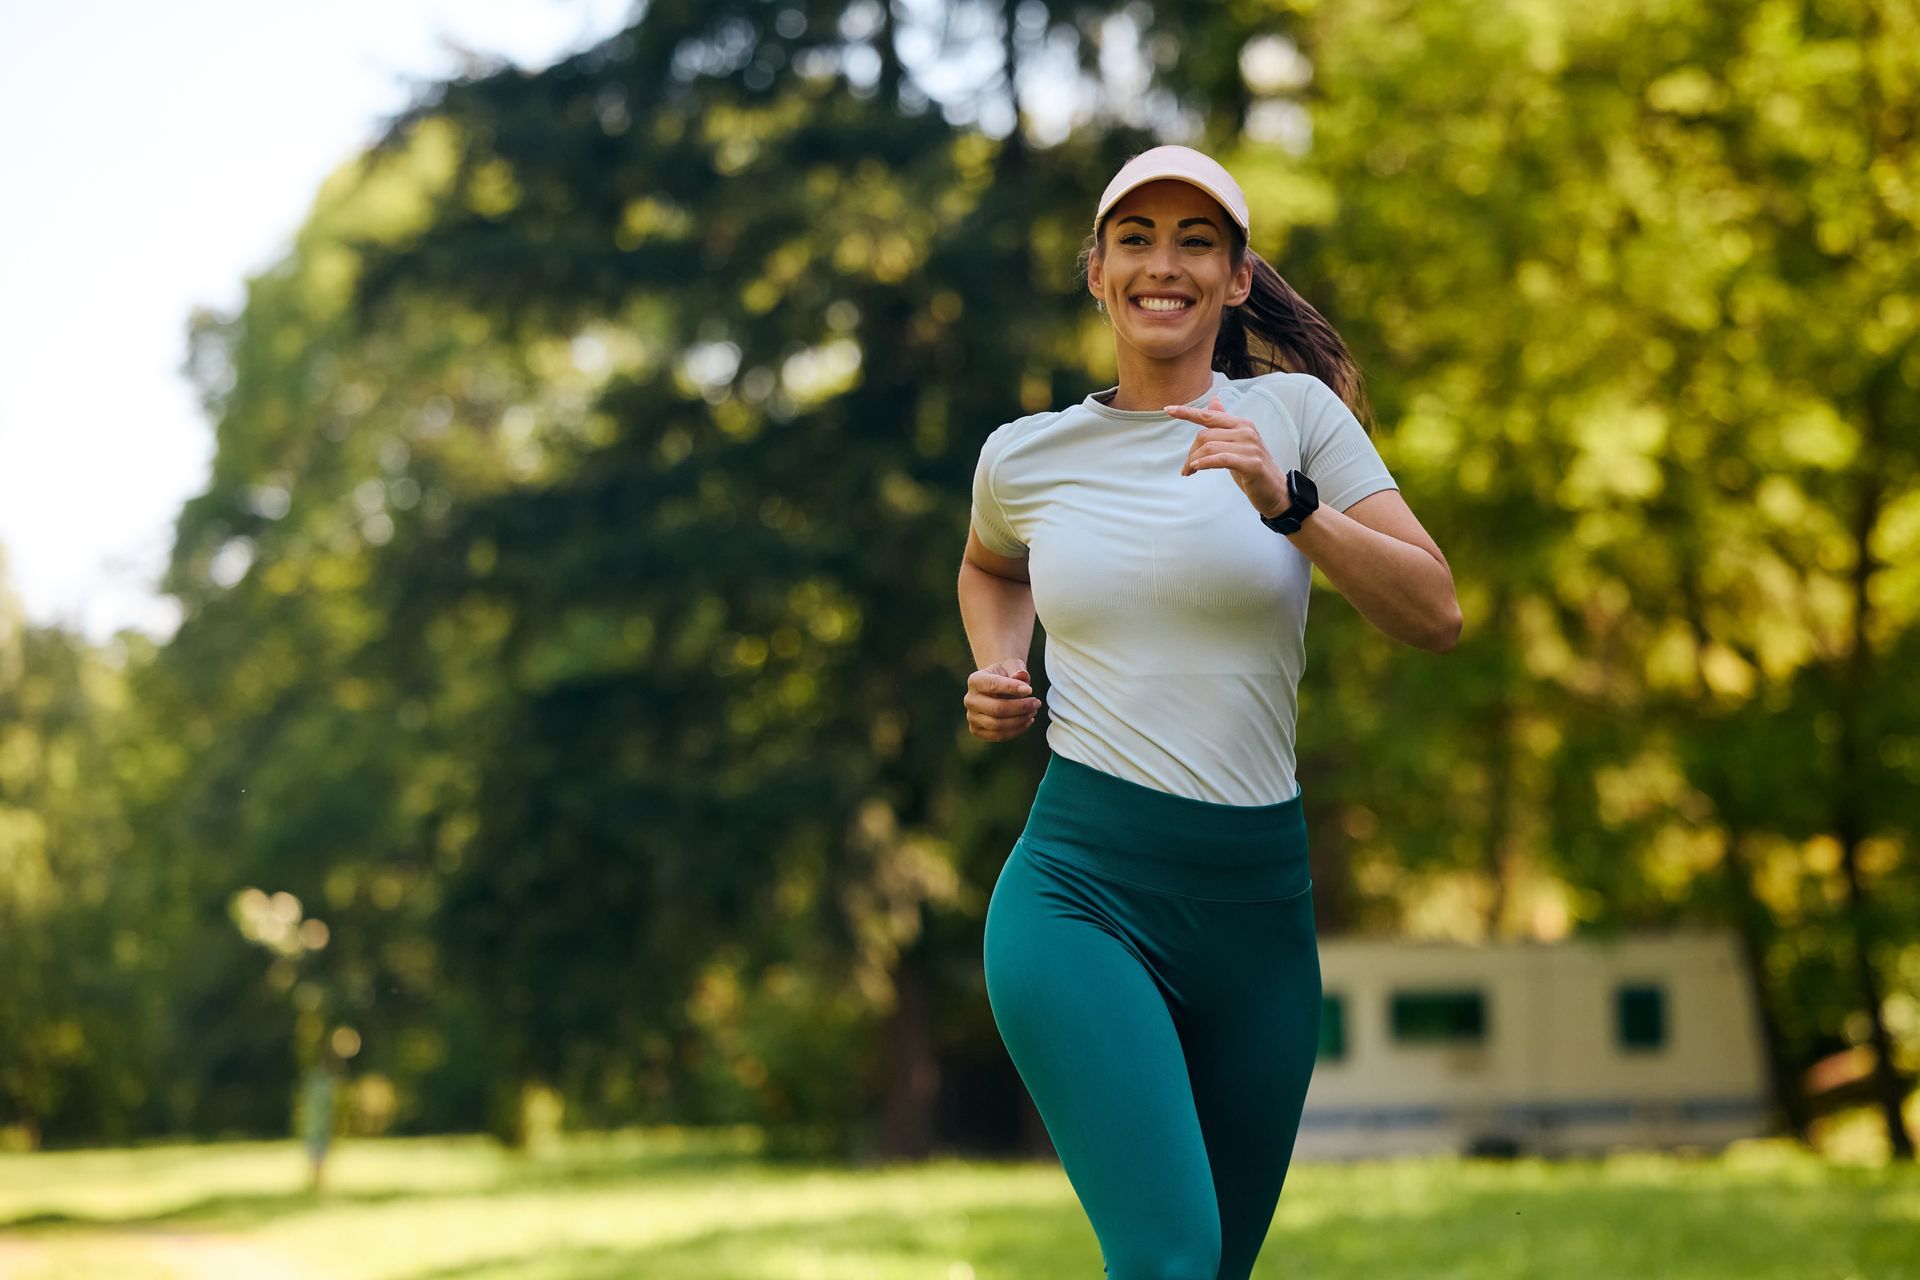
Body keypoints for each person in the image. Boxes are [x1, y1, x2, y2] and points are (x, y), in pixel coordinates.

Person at [956, 145, 1461, 1280]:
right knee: (1171, 1255)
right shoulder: (1026, 455)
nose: (1162, 265)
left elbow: (1434, 611)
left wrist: (1291, 506)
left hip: (1257, 912)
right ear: (1096, 271)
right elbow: (991, 569)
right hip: (1082, 890)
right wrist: (1000, 664)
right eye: (1135, 239)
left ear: (1237, 278)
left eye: (1196, 241)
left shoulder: (1295, 416)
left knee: (1216, 1267)